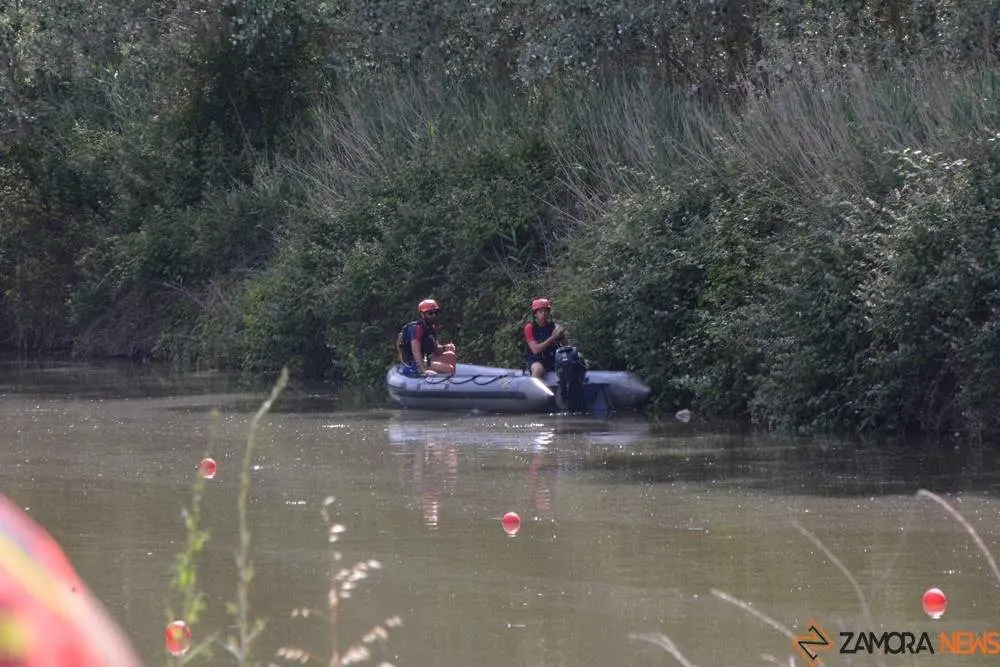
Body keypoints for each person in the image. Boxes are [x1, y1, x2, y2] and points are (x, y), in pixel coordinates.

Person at [397, 298, 457, 376]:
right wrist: (423, 370)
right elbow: (415, 352)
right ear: (422, 315)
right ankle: (444, 379)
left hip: (425, 359)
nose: (434, 316)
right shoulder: (416, 329)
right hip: (413, 363)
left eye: (436, 313)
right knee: (449, 369)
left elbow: (434, 349)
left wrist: (445, 348)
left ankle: (449, 378)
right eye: (430, 313)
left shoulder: (430, 328)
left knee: (451, 355)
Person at [523, 297, 566, 379]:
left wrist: (561, 335)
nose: (544, 314)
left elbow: (566, 345)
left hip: (553, 358)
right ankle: (534, 386)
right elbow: (535, 350)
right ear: (535, 314)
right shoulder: (529, 327)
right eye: (540, 311)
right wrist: (552, 337)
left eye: (546, 311)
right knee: (538, 370)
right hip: (536, 359)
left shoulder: (553, 326)